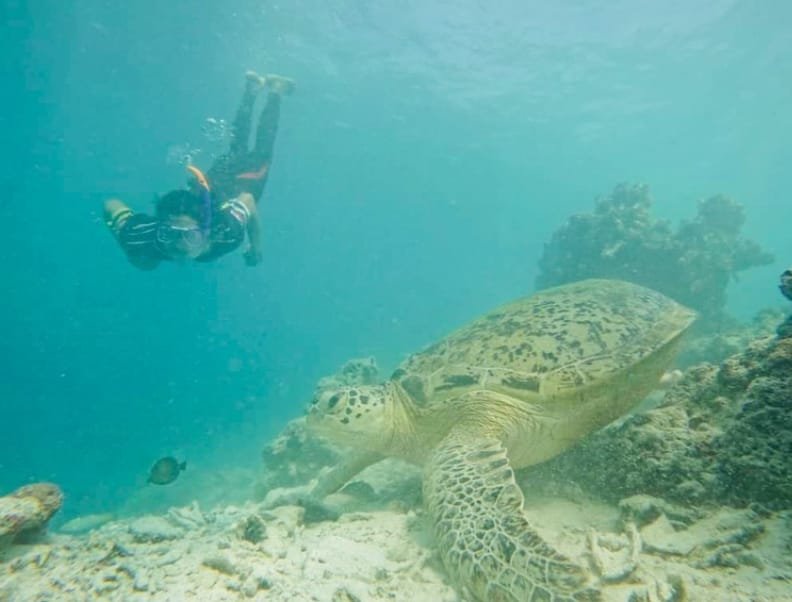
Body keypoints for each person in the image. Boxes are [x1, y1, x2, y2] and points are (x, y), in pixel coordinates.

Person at [103, 71, 294, 270]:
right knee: (237, 148)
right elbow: (110, 205)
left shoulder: (226, 229)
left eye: (191, 236)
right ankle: (253, 88)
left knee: (260, 151)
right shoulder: (141, 235)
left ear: (207, 231)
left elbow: (247, 199)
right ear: (159, 228)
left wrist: (256, 246)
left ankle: (274, 91)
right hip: (210, 188)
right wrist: (127, 247)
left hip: (235, 185)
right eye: (168, 234)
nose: (179, 246)